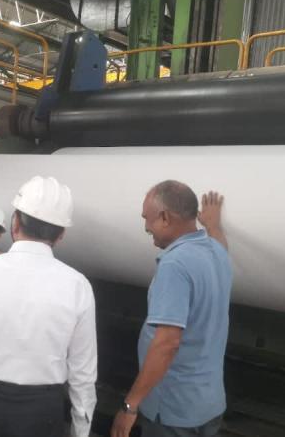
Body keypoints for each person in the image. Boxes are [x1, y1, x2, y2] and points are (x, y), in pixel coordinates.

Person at [0, 176, 97, 437]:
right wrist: (81, 430)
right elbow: (83, 373)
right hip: (43, 413)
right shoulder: (78, 286)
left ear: (14, 223)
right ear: (61, 235)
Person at [110, 183, 231, 437]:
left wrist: (130, 406)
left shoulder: (174, 265)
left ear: (165, 217)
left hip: (174, 409)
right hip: (209, 404)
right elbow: (220, 244)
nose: (146, 227)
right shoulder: (217, 253)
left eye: (147, 218)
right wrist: (213, 226)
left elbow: (167, 343)